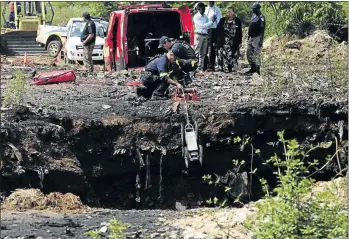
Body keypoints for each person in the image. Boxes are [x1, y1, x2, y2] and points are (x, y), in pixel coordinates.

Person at [216, 7, 242, 73]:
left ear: (233, 12)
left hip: (234, 41)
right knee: (223, 55)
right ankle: (223, 68)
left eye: (230, 11)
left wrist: (240, 41)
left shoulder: (237, 20)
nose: (228, 13)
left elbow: (239, 32)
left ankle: (232, 68)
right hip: (223, 42)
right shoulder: (222, 20)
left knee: (233, 55)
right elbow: (218, 30)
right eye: (227, 11)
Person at [193, 2, 216, 72]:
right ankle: (194, 67)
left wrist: (212, 20)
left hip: (205, 35)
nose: (204, 9)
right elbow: (202, 26)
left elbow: (208, 24)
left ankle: (201, 68)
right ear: (199, 8)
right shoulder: (196, 17)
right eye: (202, 7)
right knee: (196, 52)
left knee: (203, 53)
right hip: (199, 35)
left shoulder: (205, 16)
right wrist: (211, 21)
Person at [245, 2, 266, 75]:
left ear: (258, 9)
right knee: (248, 53)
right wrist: (248, 36)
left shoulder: (261, 17)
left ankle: (257, 69)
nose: (252, 10)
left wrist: (261, 40)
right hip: (251, 37)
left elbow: (262, 29)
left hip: (257, 37)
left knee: (256, 55)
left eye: (254, 9)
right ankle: (252, 68)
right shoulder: (253, 16)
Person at [205, 1, 222, 72]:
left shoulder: (217, 10)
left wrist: (215, 20)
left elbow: (219, 21)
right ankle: (204, 65)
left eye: (212, 1)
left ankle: (211, 66)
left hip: (213, 30)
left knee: (212, 48)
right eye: (210, 1)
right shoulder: (205, 9)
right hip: (205, 30)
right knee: (204, 48)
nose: (211, 2)